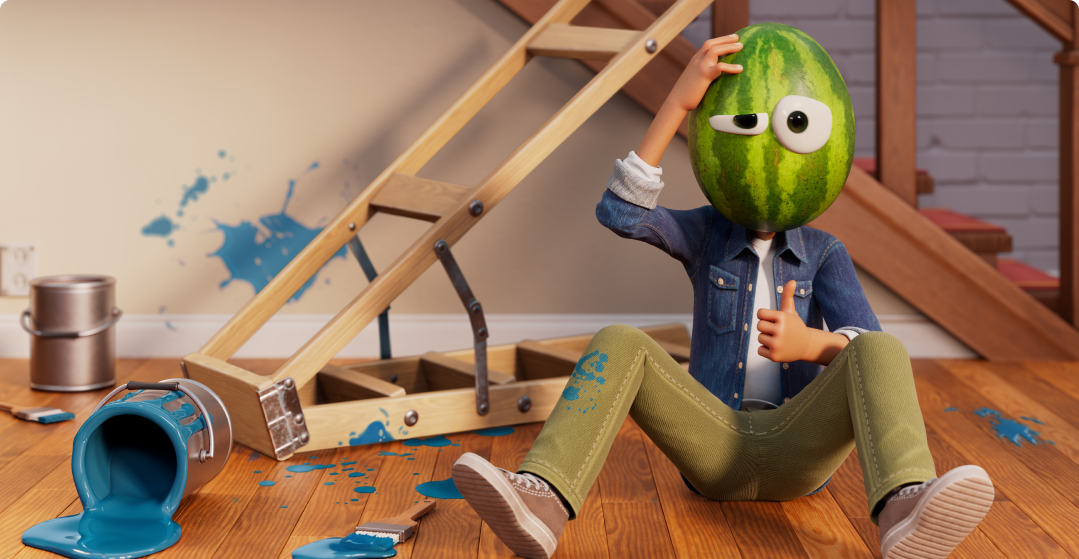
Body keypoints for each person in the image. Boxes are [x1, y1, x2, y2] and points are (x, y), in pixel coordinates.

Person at [451, 25, 994, 559]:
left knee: (881, 348)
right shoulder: (705, 235)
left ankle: (903, 507)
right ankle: (542, 500)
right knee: (618, 339)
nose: (769, 156)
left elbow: (873, 358)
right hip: (710, 445)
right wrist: (677, 104)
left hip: (799, 450)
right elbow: (620, 213)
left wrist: (813, 346)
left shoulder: (825, 252)